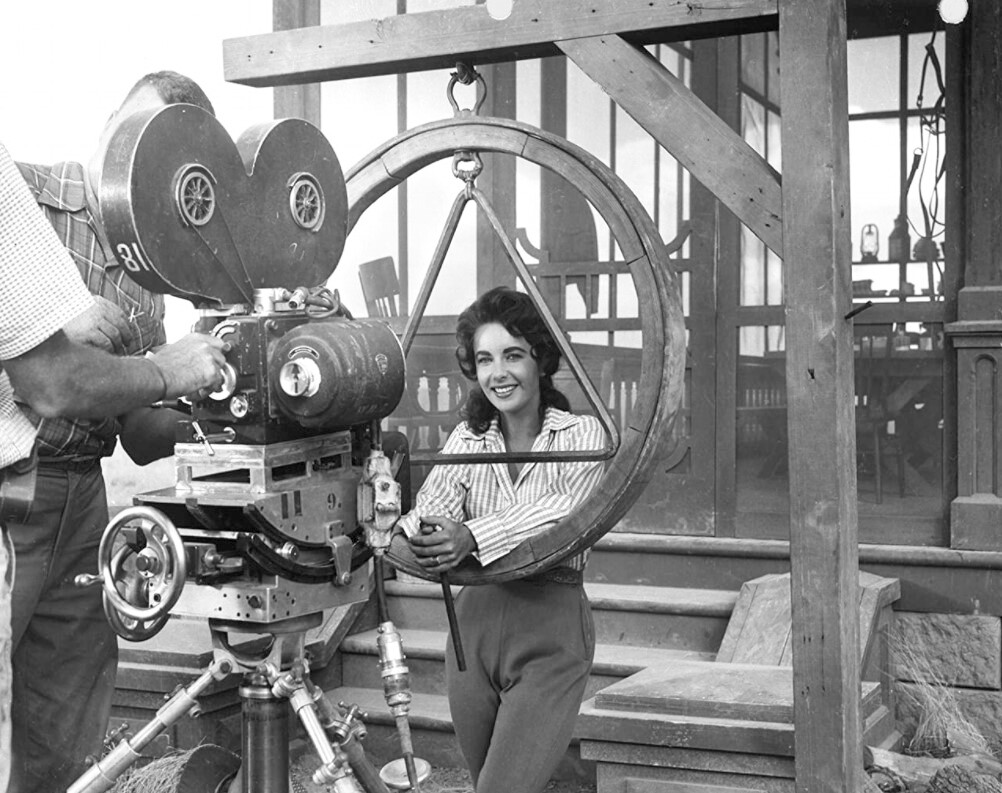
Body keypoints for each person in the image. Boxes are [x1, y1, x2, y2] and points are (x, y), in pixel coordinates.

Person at [7, 71, 223, 793]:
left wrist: (215, 404)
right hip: (10, 487)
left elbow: (139, 430)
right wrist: (54, 332)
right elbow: (49, 380)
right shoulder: (21, 195)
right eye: (140, 137)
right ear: (108, 127)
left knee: (65, 734)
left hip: (84, 504)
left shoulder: (150, 264)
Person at [395, 286, 605, 793]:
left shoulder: (583, 435)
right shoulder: (468, 438)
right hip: (471, 627)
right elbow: (432, 509)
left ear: (541, 359)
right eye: (485, 359)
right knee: (485, 782)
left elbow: (561, 515)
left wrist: (471, 534)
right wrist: (421, 531)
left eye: (513, 355)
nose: (498, 373)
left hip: (551, 626)